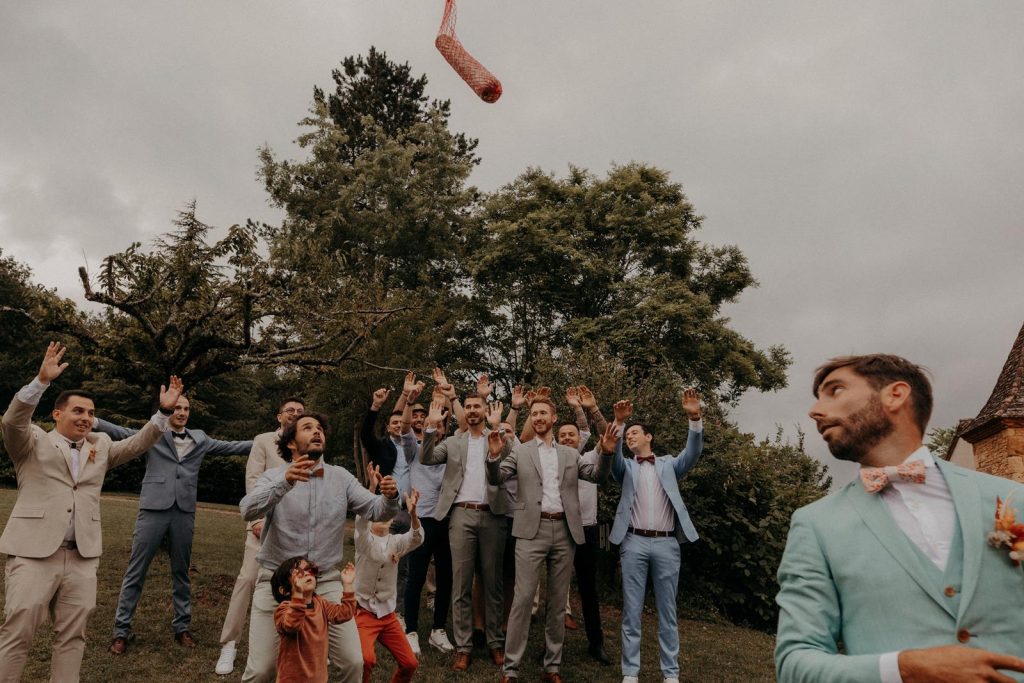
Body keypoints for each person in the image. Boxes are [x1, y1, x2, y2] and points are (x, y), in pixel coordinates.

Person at [775, 354, 1024, 683]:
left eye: (834, 391)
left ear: (896, 394)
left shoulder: (1013, 499)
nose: (815, 411)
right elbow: (795, 664)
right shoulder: (815, 524)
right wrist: (903, 668)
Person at [0, 342, 182, 682]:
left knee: (72, 637)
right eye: (78, 411)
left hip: (82, 557)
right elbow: (13, 420)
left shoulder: (101, 445)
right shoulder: (31, 441)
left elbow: (140, 443)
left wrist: (163, 413)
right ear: (57, 414)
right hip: (34, 554)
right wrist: (40, 381)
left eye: (90, 413)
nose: (86, 418)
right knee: (18, 632)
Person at [239, 412, 401, 682]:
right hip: (276, 582)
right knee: (261, 670)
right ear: (291, 442)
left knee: (353, 662)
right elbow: (247, 509)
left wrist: (390, 496)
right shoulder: (273, 476)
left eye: (320, 429)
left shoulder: (341, 477)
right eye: (307, 428)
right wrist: (285, 483)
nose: (317, 432)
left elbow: (376, 510)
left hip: (325, 581)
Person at [98, 394, 253, 653]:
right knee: (136, 571)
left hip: (184, 511)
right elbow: (119, 430)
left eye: (186, 408)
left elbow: (234, 446)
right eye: (177, 407)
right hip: (152, 509)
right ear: (169, 409)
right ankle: (121, 631)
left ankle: (182, 627)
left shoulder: (201, 439)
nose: (181, 412)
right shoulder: (154, 433)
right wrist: (92, 420)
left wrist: (271, 439)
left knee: (181, 572)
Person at [485, 396, 617, 683]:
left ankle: (552, 667)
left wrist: (606, 454)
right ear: (532, 419)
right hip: (530, 530)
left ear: (554, 418)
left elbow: (597, 477)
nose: (539, 417)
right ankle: (511, 669)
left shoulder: (571, 455)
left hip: (565, 532)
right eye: (534, 413)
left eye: (544, 412)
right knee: (521, 600)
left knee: (557, 603)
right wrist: (493, 458)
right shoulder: (520, 452)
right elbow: (496, 479)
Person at [611, 390, 704, 683]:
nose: (630, 438)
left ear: (649, 437)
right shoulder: (625, 466)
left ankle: (671, 674)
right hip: (633, 542)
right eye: (628, 435)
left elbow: (693, 453)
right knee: (631, 610)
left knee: (668, 611)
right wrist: (620, 424)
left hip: (666, 543)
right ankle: (630, 672)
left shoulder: (668, 465)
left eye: (635, 433)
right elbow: (612, 457)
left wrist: (694, 419)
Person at [419, 384, 509, 672]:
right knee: (461, 582)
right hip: (460, 516)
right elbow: (426, 457)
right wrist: (431, 428)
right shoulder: (454, 441)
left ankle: (495, 643)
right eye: (468, 407)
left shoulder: (497, 436)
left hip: (493, 515)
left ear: (484, 410)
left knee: (493, 582)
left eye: (476, 407)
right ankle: (463, 647)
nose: (472, 411)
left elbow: (512, 459)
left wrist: (500, 431)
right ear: (463, 412)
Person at [216, 396, 305, 675]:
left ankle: (295, 643)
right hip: (263, 525)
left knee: (296, 586)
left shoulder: (309, 445)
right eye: (289, 410)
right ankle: (230, 643)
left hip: (295, 530)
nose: (294, 414)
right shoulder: (264, 440)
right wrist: (256, 519)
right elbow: (253, 480)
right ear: (279, 416)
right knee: (248, 579)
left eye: (300, 411)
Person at [354, 474, 423, 683]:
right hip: (364, 611)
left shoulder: (396, 542)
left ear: (393, 517)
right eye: (379, 512)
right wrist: (372, 487)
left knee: (410, 663)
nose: (384, 517)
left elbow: (417, 538)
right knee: (366, 660)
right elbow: (360, 522)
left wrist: (413, 515)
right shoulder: (363, 541)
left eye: (388, 514)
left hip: (387, 614)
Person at [402, 391, 455, 656]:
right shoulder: (415, 449)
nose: (437, 427)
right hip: (420, 519)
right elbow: (403, 426)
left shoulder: (453, 450)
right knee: (416, 577)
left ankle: (438, 631)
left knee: (446, 577)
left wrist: (449, 398)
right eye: (433, 423)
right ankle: (411, 631)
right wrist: (410, 402)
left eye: (442, 423)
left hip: (446, 520)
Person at [272, 557, 357, 683]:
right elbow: (292, 625)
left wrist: (348, 585)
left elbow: (344, 614)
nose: (306, 573)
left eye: (309, 569)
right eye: (298, 573)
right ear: (283, 590)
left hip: (318, 678)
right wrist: (298, 595)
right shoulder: (284, 609)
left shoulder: (321, 603)